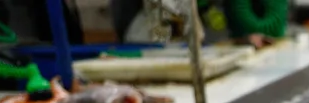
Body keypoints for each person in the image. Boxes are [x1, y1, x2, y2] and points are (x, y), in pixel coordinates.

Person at [111, 0, 284, 47]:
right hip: (147, 42)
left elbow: (213, 38)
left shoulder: (210, 8)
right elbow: (164, 42)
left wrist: (237, 42)